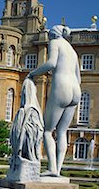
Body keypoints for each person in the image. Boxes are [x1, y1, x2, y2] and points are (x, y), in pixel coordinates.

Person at [28, 25, 81, 176]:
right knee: (63, 131)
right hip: (75, 90)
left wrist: (33, 73)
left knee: (47, 130)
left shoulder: (55, 43)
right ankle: (58, 169)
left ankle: (52, 169)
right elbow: (79, 77)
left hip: (62, 87)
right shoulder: (72, 50)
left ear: (53, 34)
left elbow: (51, 63)